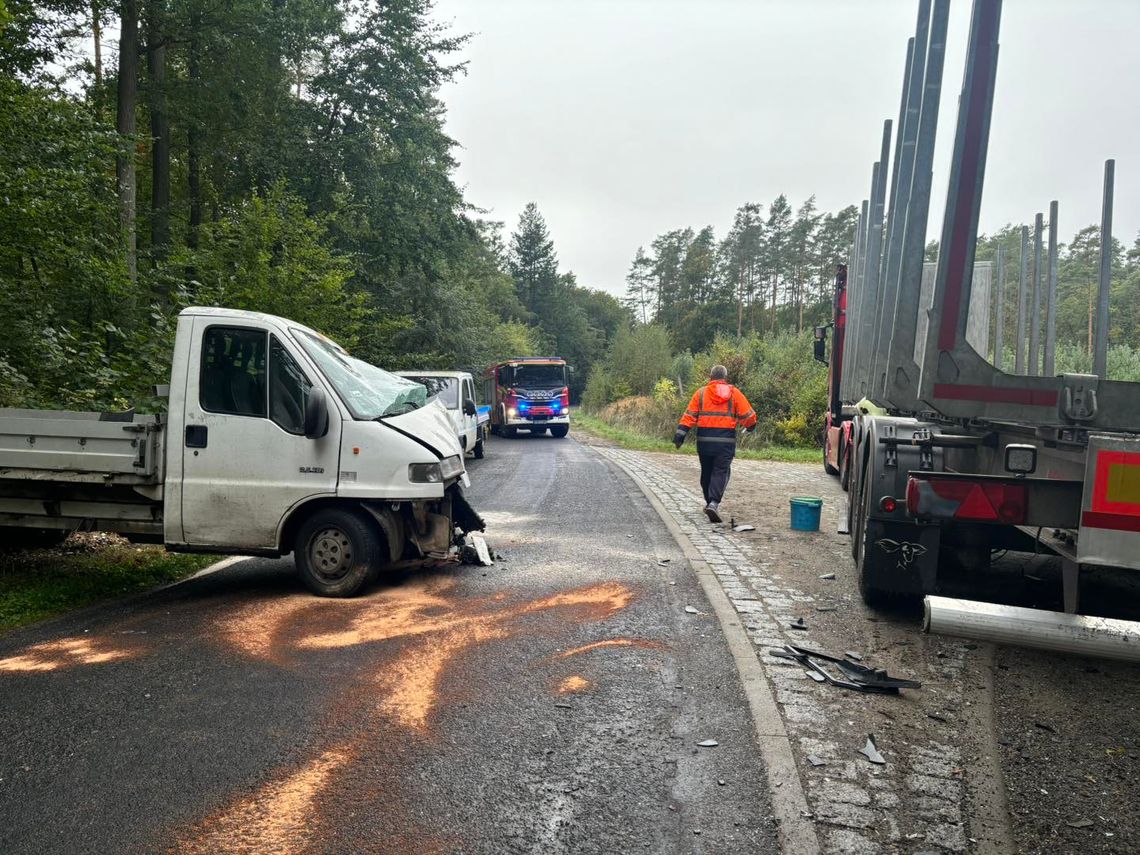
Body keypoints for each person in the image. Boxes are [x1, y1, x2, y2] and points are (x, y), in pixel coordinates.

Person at [673, 365, 757, 523]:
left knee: (706, 472)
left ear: (710, 377)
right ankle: (713, 503)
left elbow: (689, 416)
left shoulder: (701, 393)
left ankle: (709, 502)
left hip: (704, 442)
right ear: (725, 377)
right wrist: (750, 426)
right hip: (725, 443)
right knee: (721, 472)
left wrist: (680, 436)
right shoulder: (734, 393)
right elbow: (749, 415)